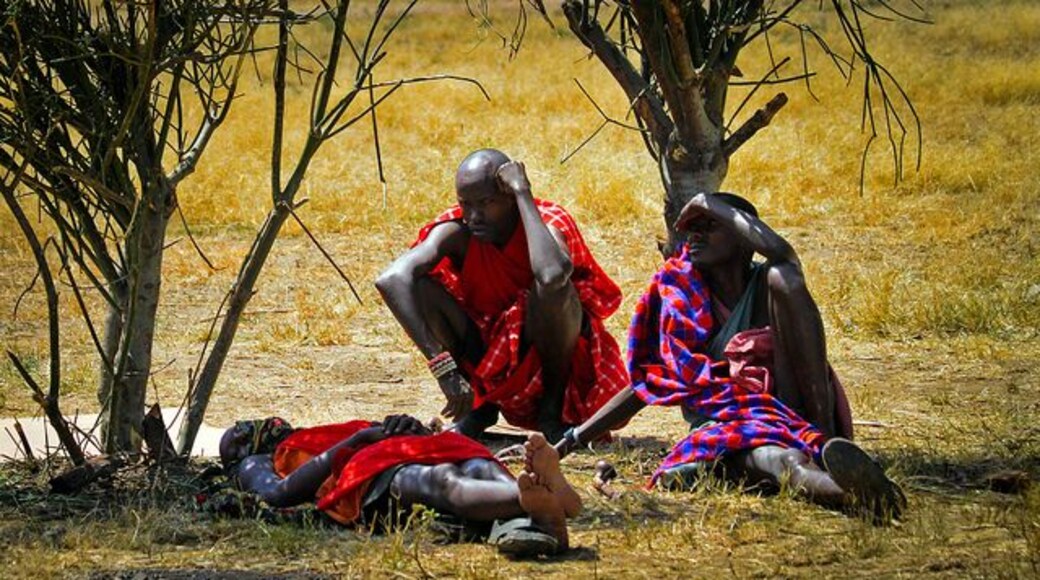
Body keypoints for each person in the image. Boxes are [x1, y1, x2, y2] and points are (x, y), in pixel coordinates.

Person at [552, 192, 904, 521]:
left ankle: (826, 445)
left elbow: (783, 255)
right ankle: (854, 493)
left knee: (786, 277)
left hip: (796, 413)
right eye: (692, 228)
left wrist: (707, 200)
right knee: (779, 460)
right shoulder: (683, 298)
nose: (695, 237)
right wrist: (571, 441)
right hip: (728, 425)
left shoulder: (771, 286)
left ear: (744, 240)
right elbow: (651, 383)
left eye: (711, 226)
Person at [375, 149, 628, 442]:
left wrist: (523, 192)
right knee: (419, 286)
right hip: (486, 353)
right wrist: (443, 368)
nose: (473, 216)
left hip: (550, 356)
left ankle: (551, 412)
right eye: (465, 204)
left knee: (551, 291)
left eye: (485, 203)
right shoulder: (458, 230)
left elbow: (552, 275)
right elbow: (391, 278)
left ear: (509, 196)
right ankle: (480, 408)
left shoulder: (546, 220)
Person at [218, 415, 582, 555]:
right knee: (442, 481)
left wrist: (403, 425)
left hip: (404, 449)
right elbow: (279, 493)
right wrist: (359, 439)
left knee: (471, 466)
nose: (244, 425)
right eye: (237, 434)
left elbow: (374, 433)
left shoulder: (315, 432)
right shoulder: (253, 462)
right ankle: (538, 502)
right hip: (367, 472)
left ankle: (537, 505)